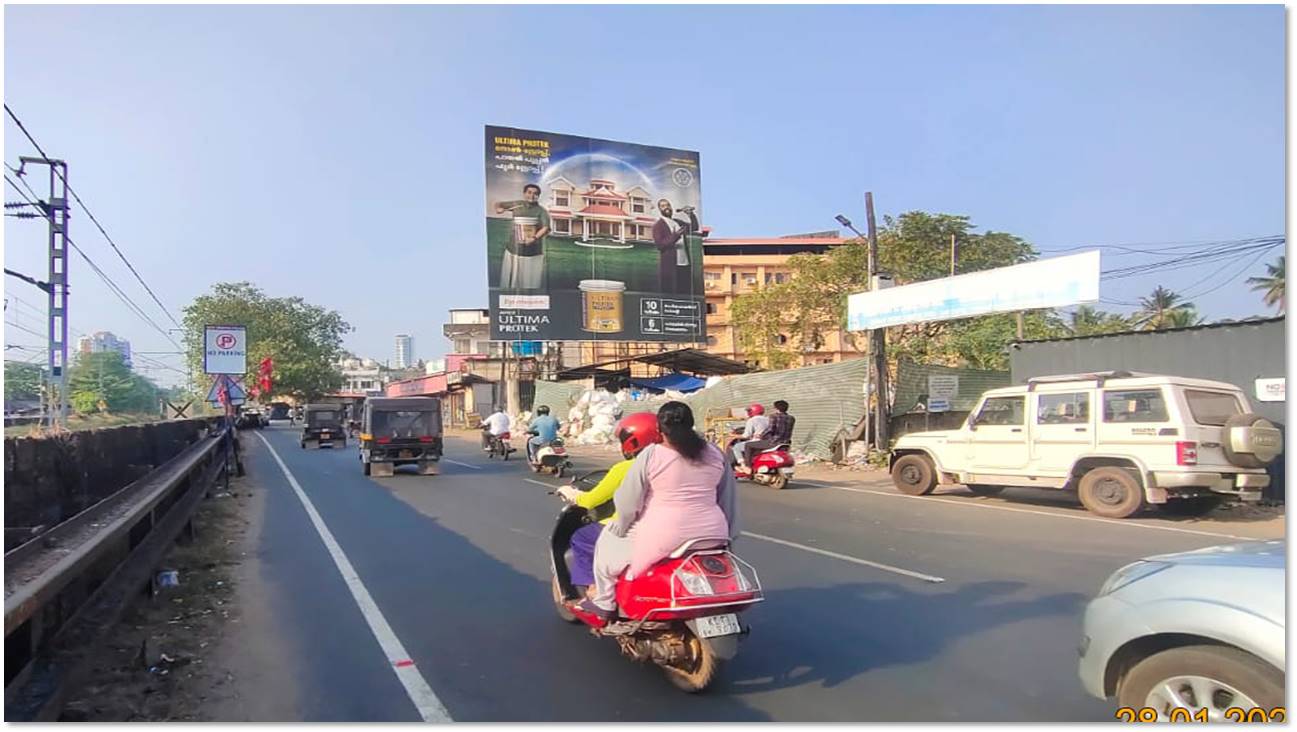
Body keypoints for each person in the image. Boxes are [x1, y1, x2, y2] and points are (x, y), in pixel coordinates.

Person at [581, 401, 739, 620]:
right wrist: (728, 534)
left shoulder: (652, 455)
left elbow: (628, 501)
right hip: (714, 532)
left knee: (606, 545)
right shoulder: (715, 453)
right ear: (692, 424)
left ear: (659, 430)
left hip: (666, 533)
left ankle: (605, 601)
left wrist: (622, 526)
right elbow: (727, 498)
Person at [555, 412, 660, 595]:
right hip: (667, 526)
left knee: (581, 538)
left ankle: (595, 589)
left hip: (631, 527)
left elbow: (590, 500)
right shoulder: (673, 463)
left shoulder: (624, 469)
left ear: (633, 441)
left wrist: (570, 493)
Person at [495, 183, 551, 290]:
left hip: (532, 252)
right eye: (529, 192)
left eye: (535, 194)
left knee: (530, 282)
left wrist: (534, 238)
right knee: (511, 281)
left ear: (538, 196)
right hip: (513, 250)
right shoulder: (517, 204)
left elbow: (545, 228)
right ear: (524, 193)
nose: (532, 195)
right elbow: (498, 204)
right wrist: (499, 209)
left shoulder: (542, 211)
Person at [650, 199, 699, 294]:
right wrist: (676, 235)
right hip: (671, 265)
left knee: (685, 292)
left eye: (668, 205)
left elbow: (694, 227)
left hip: (684, 263)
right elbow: (660, 245)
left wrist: (690, 214)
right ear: (659, 209)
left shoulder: (678, 222)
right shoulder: (658, 225)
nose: (667, 207)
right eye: (663, 206)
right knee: (671, 292)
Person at [744, 399, 796, 467]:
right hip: (786, 443)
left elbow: (770, 429)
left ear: (776, 408)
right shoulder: (791, 418)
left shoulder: (774, 416)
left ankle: (748, 467)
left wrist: (761, 435)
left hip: (773, 442)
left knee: (748, 445)